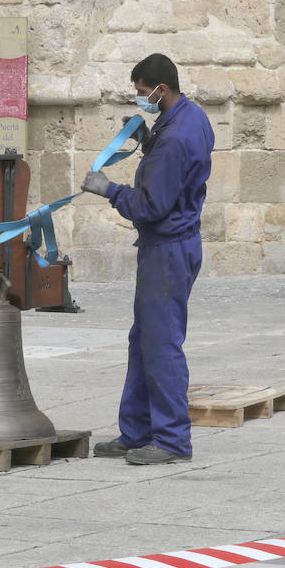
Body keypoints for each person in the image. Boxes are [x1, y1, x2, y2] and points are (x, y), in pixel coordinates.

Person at [81, 53, 215, 465]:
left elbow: (151, 205)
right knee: (143, 341)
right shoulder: (190, 119)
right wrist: (146, 138)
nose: (141, 100)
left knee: (161, 345)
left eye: (143, 93)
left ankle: (173, 440)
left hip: (167, 248)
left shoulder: (174, 138)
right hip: (175, 245)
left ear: (161, 88)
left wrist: (109, 191)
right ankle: (136, 431)